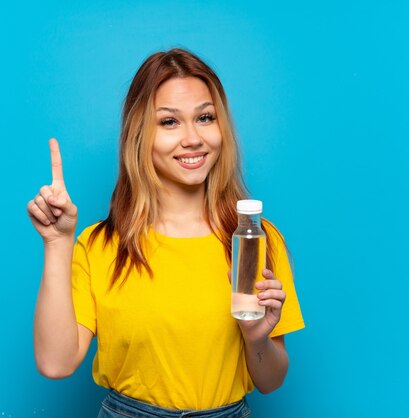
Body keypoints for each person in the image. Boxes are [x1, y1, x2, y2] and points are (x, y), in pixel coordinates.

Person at [27, 48, 305, 417]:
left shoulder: (254, 240)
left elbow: (271, 381)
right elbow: (55, 363)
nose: (193, 138)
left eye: (205, 118)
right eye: (170, 122)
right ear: (140, 133)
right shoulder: (100, 245)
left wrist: (256, 336)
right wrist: (58, 243)